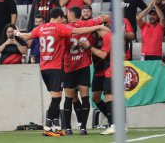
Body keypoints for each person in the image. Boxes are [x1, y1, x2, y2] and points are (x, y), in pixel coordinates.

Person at [16, 7, 106, 137]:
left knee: (57, 98)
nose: (63, 20)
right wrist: (97, 27)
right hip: (56, 67)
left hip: (43, 68)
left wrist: (17, 33)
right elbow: (78, 30)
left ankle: (56, 127)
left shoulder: (40, 28)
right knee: (57, 99)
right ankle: (49, 127)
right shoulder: (59, 27)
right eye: (62, 18)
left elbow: (27, 36)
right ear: (58, 17)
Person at [62, 7, 108, 135]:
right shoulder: (86, 24)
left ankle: (68, 128)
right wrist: (100, 25)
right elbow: (105, 17)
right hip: (83, 67)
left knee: (68, 99)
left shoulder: (66, 28)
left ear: (71, 14)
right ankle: (83, 128)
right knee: (85, 97)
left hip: (69, 67)